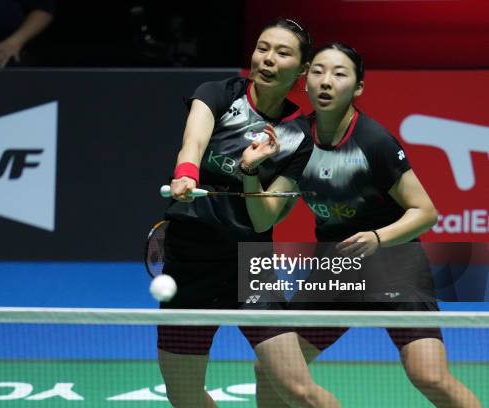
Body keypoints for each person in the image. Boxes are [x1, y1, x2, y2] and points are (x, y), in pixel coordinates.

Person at [243, 42, 481, 407]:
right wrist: (249, 172)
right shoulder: (294, 140)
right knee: (270, 371)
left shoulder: (374, 141)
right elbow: (268, 216)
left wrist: (377, 237)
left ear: (357, 88)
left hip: (394, 264)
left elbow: (425, 212)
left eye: (339, 74)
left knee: (428, 375)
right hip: (336, 266)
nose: (326, 82)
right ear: (305, 82)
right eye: (319, 71)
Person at [160, 18, 341, 408]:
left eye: (282, 52)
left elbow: (263, 219)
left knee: (295, 387)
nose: (268, 59)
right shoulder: (218, 93)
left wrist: (250, 170)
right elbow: (193, 140)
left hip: (250, 263)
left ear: (302, 69)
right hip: (188, 258)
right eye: (263, 48)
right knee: (184, 395)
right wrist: (186, 175)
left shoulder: (300, 138)